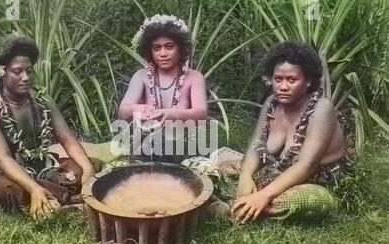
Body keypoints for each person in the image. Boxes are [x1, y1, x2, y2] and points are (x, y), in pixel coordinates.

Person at [0, 37, 94, 221]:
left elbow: (67, 138)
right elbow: (3, 158)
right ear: (2, 73)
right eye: (17, 71)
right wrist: (33, 188)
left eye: (29, 71)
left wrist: (87, 169)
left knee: (84, 167)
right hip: (6, 173)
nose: (25, 77)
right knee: (12, 188)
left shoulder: (41, 98)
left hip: (43, 165)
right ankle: (65, 199)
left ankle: (54, 199)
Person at [231, 41, 349, 223]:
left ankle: (240, 207)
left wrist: (263, 196)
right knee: (219, 161)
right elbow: (255, 146)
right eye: (278, 79)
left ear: (308, 81)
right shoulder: (271, 103)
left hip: (315, 182)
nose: (283, 87)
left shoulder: (321, 109)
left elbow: (306, 165)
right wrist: (245, 177)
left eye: (292, 80)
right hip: (277, 173)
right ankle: (247, 205)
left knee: (286, 201)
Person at [118, 14, 208, 162]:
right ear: (150, 51)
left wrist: (173, 114)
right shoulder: (141, 76)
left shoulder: (194, 77)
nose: (163, 54)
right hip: (145, 150)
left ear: (181, 48)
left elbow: (202, 113)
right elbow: (122, 112)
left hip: (185, 151)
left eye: (169, 47)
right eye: (157, 48)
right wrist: (139, 109)